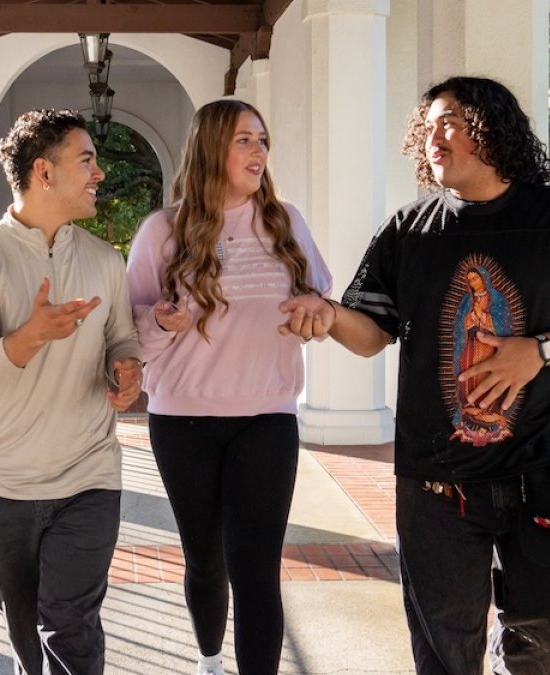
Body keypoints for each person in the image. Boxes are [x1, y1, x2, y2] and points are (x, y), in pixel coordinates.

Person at [279, 76, 550, 673]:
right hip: (436, 487)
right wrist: (329, 315)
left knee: (545, 636)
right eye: (426, 126)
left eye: (446, 121)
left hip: (542, 472)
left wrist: (539, 350)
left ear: (491, 127)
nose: (431, 137)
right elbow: (371, 334)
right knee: (444, 654)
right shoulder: (408, 229)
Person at [126, 99, 332, 675]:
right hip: (181, 420)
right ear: (212, 147)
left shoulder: (285, 222)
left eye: (262, 139)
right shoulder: (161, 231)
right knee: (206, 561)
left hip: (268, 417)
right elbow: (131, 338)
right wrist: (163, 323)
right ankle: (210, 659)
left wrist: (314, 312)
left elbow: (323, 304)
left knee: (256, 568)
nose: (259, 151)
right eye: (244, 139)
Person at [0, 109, 143, 675]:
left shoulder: (105, 260)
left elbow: (121, 337)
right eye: (87, 160)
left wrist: (125, 369)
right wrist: (28, 338)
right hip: (0, 482)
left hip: (88, 476)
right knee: (26, 631)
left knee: (71, 624)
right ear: (43, 172)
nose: (99, 173)